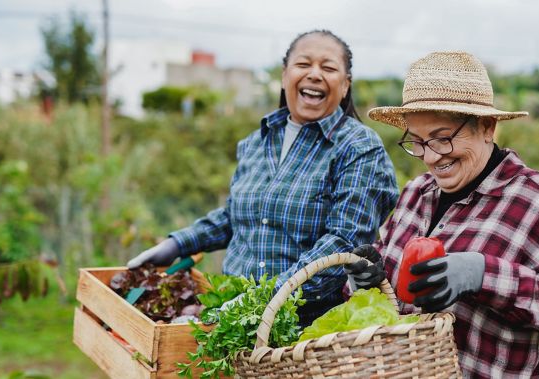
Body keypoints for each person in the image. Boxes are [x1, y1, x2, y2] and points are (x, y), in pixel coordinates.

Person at [345, 51, 539, 377]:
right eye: (417, 141)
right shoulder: (416, 193)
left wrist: (484, 275)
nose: (429, 157)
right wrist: (368, 280)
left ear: (487, 127)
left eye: (442, 139)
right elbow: (391, 293)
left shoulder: (536, 201)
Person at [127, 30, 399, 326]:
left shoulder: (359, 148)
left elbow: (343, 243)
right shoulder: (256, 142)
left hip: (300, 326)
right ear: (284, 76)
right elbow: (235, 217)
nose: (315, 74)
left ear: (345, 86)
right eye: (303, 64)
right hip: (227, 314)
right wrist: (178, 244)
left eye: (329, 68)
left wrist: (258, 302)